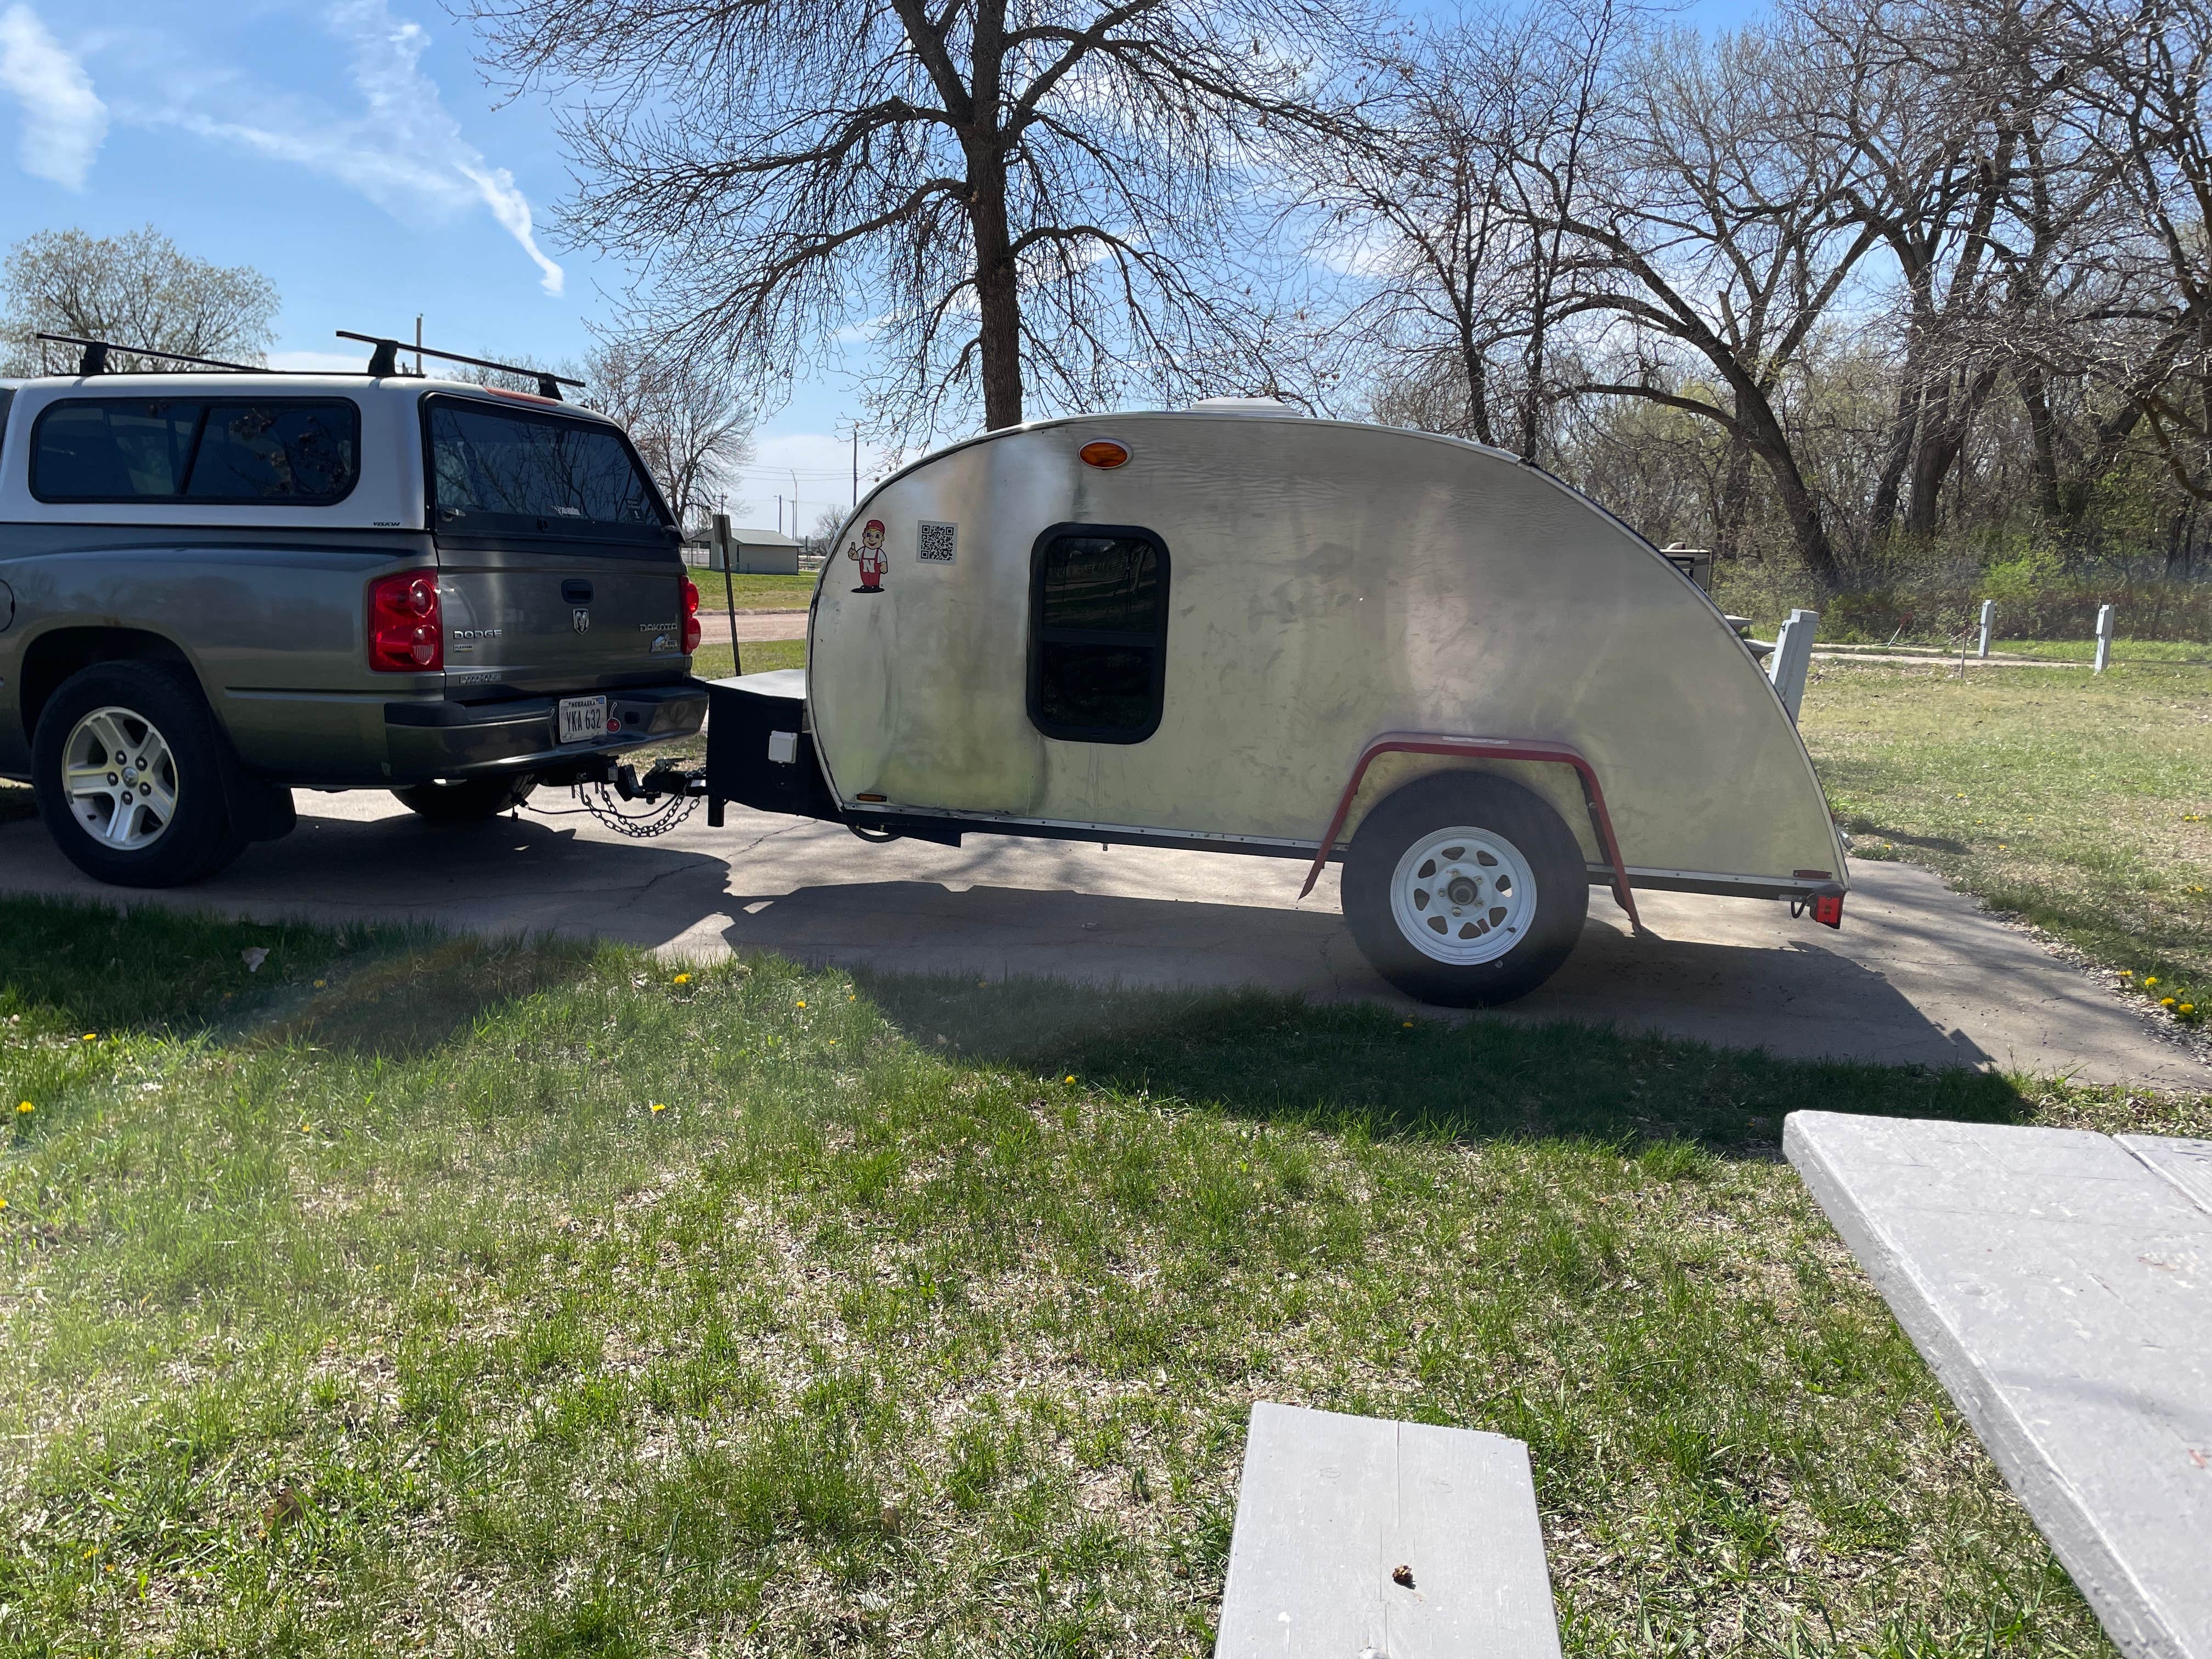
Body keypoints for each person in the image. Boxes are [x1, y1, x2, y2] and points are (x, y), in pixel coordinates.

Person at [848, 519, 887, 591]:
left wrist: (884, 565)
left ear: (882, 539)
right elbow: (856, 557)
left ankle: (875, 586)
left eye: (877, 536)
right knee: (865, 578)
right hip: (864, 572)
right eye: (869, 535)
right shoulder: (862, 551)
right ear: (864, 535)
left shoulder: (879, 553)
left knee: (874, 579)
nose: (872, 539)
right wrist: (853, 554)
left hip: (875, 573)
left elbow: (883, 561)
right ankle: (866, 586)